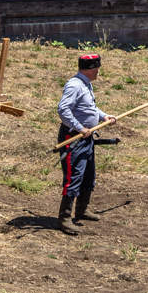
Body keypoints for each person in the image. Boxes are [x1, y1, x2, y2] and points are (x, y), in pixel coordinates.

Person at [55, 53, 118, 235]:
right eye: (97, 68)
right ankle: (65, 219)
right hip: (73, 138)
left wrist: (103, 116)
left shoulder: (86, 84)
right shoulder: (74, 85)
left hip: (86, 138)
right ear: (90, 69)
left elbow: (89, 107)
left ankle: (82, 210)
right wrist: (80, 128)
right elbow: (63, 109)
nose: (98, 71)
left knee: (88, 175)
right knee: (74, 176)